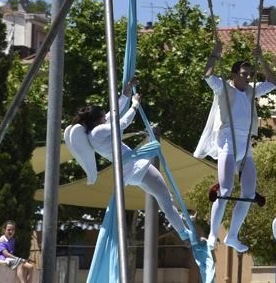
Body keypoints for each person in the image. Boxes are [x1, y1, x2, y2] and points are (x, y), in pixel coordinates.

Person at [67, 77, 194, 242]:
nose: (105, 118)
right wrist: (135, 105)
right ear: (97, 120)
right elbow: (122, 123)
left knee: (164, 200)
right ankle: (184, 233)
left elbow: (113, 113)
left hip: (131, 170)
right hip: (136, 166)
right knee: (166, 200)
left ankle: (183, 227)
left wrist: (126, 94)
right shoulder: (98, 132)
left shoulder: (93, 134)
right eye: (102, 117)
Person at [195, 40, 276, 252]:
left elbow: (273, 82)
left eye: (250, 74)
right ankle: (213, 234)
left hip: (245, 143)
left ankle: (232, 236)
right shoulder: (223, 88)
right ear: (233, 74)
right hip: (228, 141)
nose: (248, 77)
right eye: (244, 73)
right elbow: (207, 75)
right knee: (225, 189)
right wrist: (214, 53)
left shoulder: (251, 91)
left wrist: (261, 59)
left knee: (249, 193)